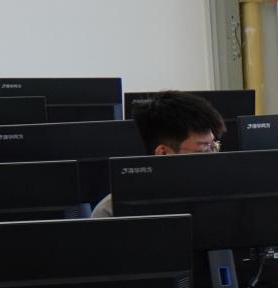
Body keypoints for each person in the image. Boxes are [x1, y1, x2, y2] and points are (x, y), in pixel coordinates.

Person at [88, 91, 224, 217]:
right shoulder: (111, 212)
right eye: (204, 150)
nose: (214, 158)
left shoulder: (222, 198)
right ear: (163, 153)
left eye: (214, 147)